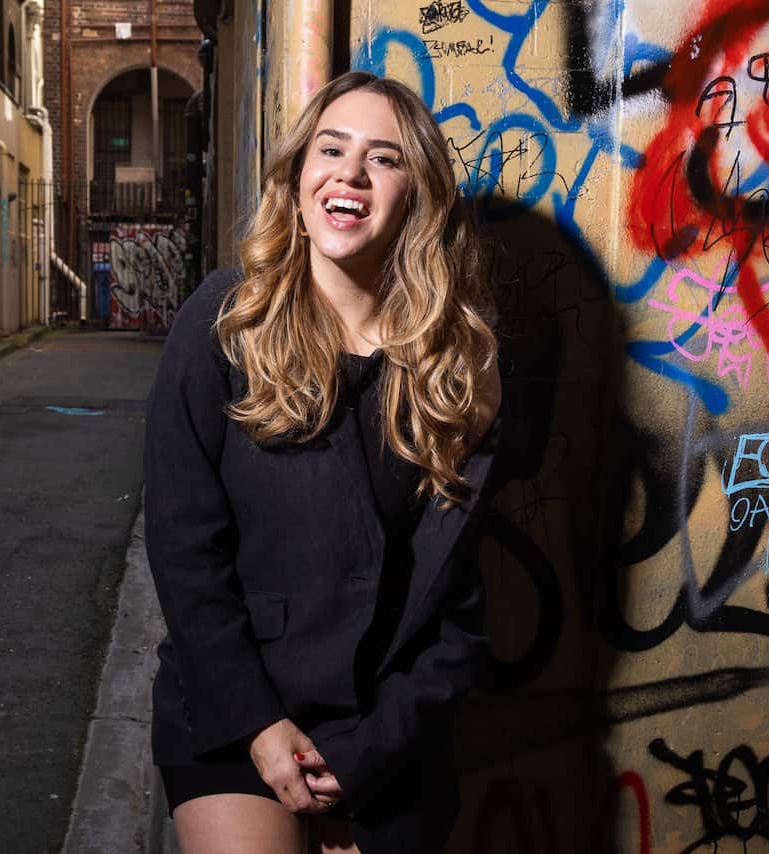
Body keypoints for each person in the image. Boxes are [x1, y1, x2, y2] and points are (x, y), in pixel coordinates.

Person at [143, 70, 503, 854]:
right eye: (331, 148)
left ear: (417, 197)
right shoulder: (224, 322)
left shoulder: (454, 369)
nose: (350, 171)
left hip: (383, 727)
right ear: (300, 179)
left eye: (384, 158)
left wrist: (369, 752)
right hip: (235, 704)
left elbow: (457, 614)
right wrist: (259, 725)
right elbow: (182, 549)